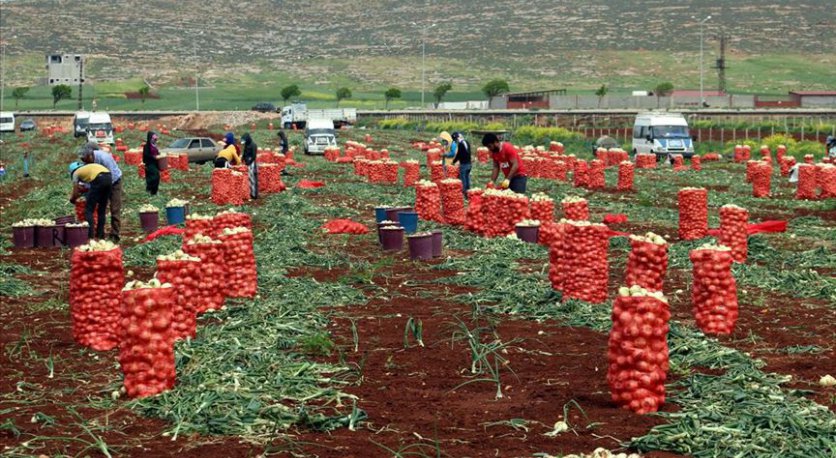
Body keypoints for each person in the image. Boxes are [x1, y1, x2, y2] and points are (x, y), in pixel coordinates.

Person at [80, 142, 123, 241]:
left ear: (90, 155)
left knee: (114, 207)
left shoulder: (105, 158)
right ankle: (100, 234)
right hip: (100, 181)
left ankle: (115, 234)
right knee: (101, 208)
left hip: (114, 181)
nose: (85, 163)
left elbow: (111, 175)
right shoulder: (87, 161)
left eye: (85, 160)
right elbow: (89, 177)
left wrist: (102, 190)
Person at [68, 161, 112, 239]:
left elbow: (75, 192)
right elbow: (89, 187)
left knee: (88, 210)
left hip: (98, 179)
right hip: (108, 177)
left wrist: (72, 199)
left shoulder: (76, 173)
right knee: (101, 209)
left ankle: (90, 235)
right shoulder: (87, 169)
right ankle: (100, 235)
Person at [451, 131, 472, 196]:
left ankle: (465, 193)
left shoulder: (460, 144)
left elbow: (459, 155)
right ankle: (469, 192)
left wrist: (453, 161)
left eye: (455, 140)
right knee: (467, 177)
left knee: (463, 179)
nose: (455, 141)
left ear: (456, 138)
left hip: (464, 164)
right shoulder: (467, 142)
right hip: (469, 164)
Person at [142, 131, 161, 195]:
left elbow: (157, 152)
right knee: (153, 177)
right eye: (153, 139)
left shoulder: (154, 145)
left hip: (155, 163)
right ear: (150, 138)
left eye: (155, 139)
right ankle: (151, 190)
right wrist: (153, 157)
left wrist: (159, 154)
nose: (155, 140)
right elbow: (146, 155)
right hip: (149, 163)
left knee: (156, 176)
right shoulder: (146, 146)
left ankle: (154, 191)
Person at [241, 133, 258, 199]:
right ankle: (249, 193)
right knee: (248, 178)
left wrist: (249, 162)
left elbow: (254, 156)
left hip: (251, 163)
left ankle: (254, 195)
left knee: (252, 178)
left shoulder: (253, 145)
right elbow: (244, 152)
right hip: (247, 162)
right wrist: (242, 158)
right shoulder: (246, 144)